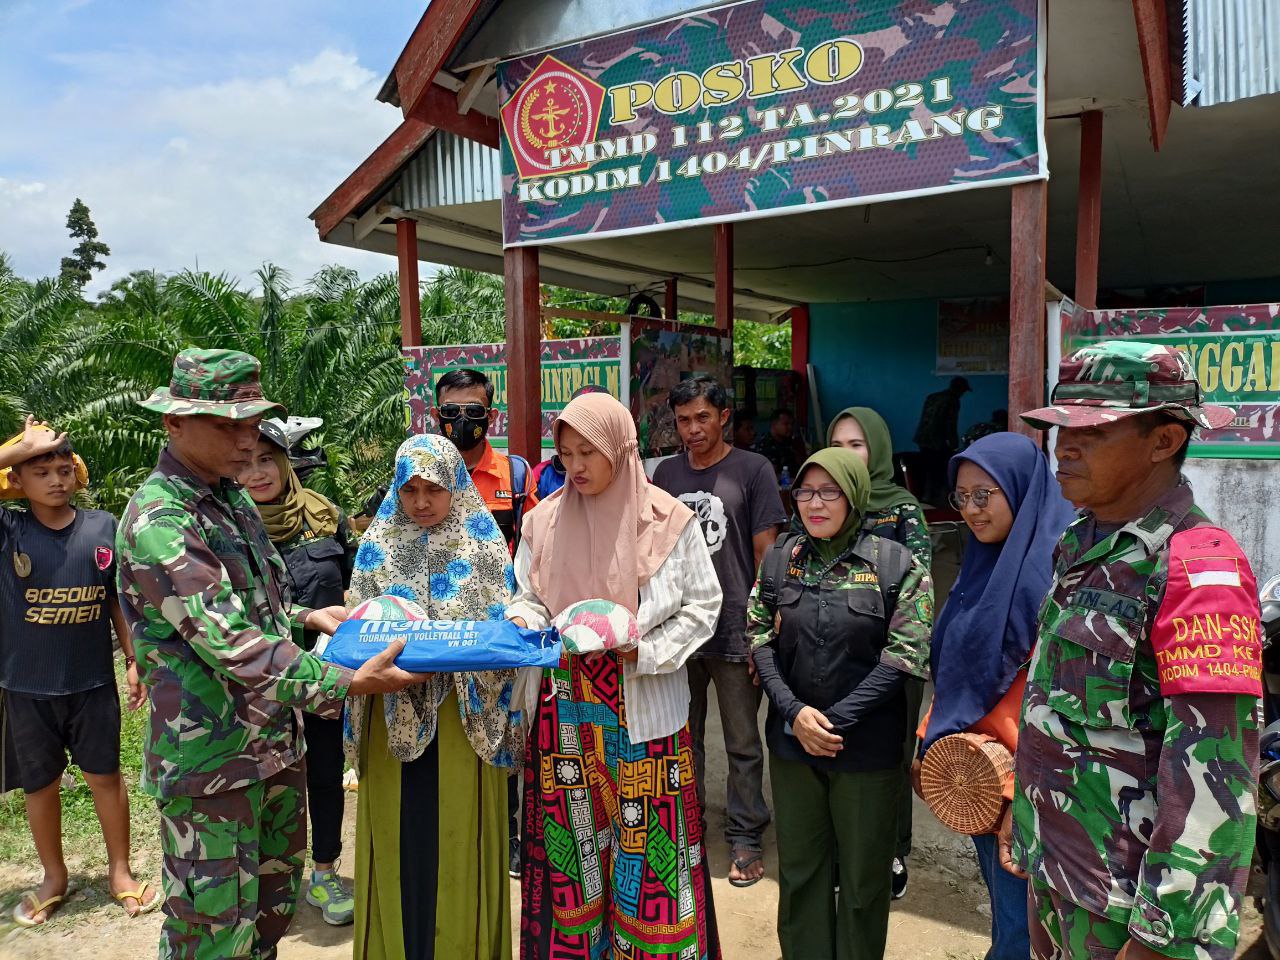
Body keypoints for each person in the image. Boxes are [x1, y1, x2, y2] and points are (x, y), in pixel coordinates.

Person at [116, 348, 420, 960]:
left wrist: (308, 616)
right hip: (211, 764)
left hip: (272, 749)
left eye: (250, 423)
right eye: (226, 425)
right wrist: (346, 681)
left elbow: (258, 611)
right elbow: (234, 645)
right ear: (174, 424)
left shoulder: (230, 501)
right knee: (211, 935)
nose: (244, 438)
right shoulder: (160, 519)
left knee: (267, 919)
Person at [1007, 341, 1262, 960]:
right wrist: (1036, 856)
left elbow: (1214, 783)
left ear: (1164, 441)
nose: (1064, 446)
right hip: (1065, 876)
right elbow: (1055, 709)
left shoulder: (1199, 566)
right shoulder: (1083, 542)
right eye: (1062, 426)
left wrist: (1160, 941)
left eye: (1093, 431)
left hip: (1131, 912)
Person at [507, 392, 723, 960]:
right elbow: (529, 596)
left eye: (589, 452)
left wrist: (646, 650)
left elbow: (703, 606)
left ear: (621, 450)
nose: (576, 466)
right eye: (566, 453)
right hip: (564, 717)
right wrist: (524, 619)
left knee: (647, 850)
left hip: (643, 713)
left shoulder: (669, 520)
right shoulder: (542, 521)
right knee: (575, 854)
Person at [749, 447, 933, 960]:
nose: (815, 503)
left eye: (829, 491)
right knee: (802, 871)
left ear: (854, 495)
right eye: (805, 491)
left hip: (866, 750)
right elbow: (759, 637)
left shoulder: (897, 564)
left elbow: (906, 656)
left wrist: (832, 720)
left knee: (862, 878)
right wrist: (793, 712)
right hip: (793, 744)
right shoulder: (780, 558)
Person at [345, 433, 522, 960]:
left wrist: (457, 652)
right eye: (410, 489)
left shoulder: (485, 547)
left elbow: (503, 635)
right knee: (400, 838)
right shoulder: (377, 548)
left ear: (458, 487)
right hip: (390, 712)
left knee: (457, 839)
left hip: (462, 723)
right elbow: (356, 627)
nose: (421, 502)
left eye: (435, 489)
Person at [913, 432, 1076, 960]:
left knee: (1022, 933)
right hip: (973, 777)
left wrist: (1020, 799)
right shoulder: (980, 569)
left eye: (985, 494)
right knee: (1010, 920)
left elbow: (1048, 703)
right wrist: (928, 740)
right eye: (962, 497)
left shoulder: (1051, 581)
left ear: (1021, 490)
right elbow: (958, 673)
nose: (971, 510)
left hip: (1028, 791)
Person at [0, 417, 157, 927]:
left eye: (64, 468)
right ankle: (53, 877)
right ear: (16, 483)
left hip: (92, 684)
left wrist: (134, 660)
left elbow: (118, 602)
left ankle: (120, 871)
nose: (56, 479)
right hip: (26, 686)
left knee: (106, 777)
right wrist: (19, 448)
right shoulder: (10, 530)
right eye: (41, 471)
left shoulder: (102, 528)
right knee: (40, 785)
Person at [653, 375, 785, 887]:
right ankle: (686, 827)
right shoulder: (664, 474)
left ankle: (746, 833)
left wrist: (762, 632)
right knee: (679, 736)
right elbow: (655, 552)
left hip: (733, 630)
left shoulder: (753, 470)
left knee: (742, 741)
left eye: (702, 417)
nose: (693, 430)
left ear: (723, 416)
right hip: (678, 631)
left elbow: (766, 557)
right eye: (683, 420)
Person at [236, 419, 357, 926]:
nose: (257, 472)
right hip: (259, 678)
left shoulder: (325, 516)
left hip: (326, 673)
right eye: (244, 462)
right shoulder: (229, 527)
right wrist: (303, 617)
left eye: (267, 459)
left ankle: (324, 872)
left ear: (285, 462)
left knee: (326, 773)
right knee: (264, 777)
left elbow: (356, 583)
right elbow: (240, 612)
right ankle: (259, 876)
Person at [432, 366, 538, 875]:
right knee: (448, 730)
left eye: (473, 411)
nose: (462, 422)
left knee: (505, 730)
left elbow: (536, 545)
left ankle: (509, 834)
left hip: (501, 630)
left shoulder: (516, 477)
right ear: (437, 416)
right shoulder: (427, 473)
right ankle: (454, 832)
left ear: (490, 415)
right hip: (442, 632)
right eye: (451, 413)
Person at [826, 406, 932, 899]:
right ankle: (840, 849)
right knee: (833, 752)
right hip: (830, 659)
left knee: (888, 757)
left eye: (857, 445)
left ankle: (892, 848)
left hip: (890, 660)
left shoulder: (901, 507)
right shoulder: (821, 499)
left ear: (878, 450)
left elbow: (920, 586)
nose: (846, 455)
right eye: (838, 444)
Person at [913, 376, 971, 504]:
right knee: (940, 471)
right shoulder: (953, 400)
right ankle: (939, 500)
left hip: (923, 438)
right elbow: (950, 424)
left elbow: (926, 419)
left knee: (928, 469)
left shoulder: (932, 396)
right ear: (959, 389)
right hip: (937, 441)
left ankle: (925, 497)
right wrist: (954, 445)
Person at [753, 407, 807, 479]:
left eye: (792, 424)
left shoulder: (790, 443)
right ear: (774, 424)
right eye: (786, 424)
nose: (790, 427)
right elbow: (770, 475)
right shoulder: (765, 445)